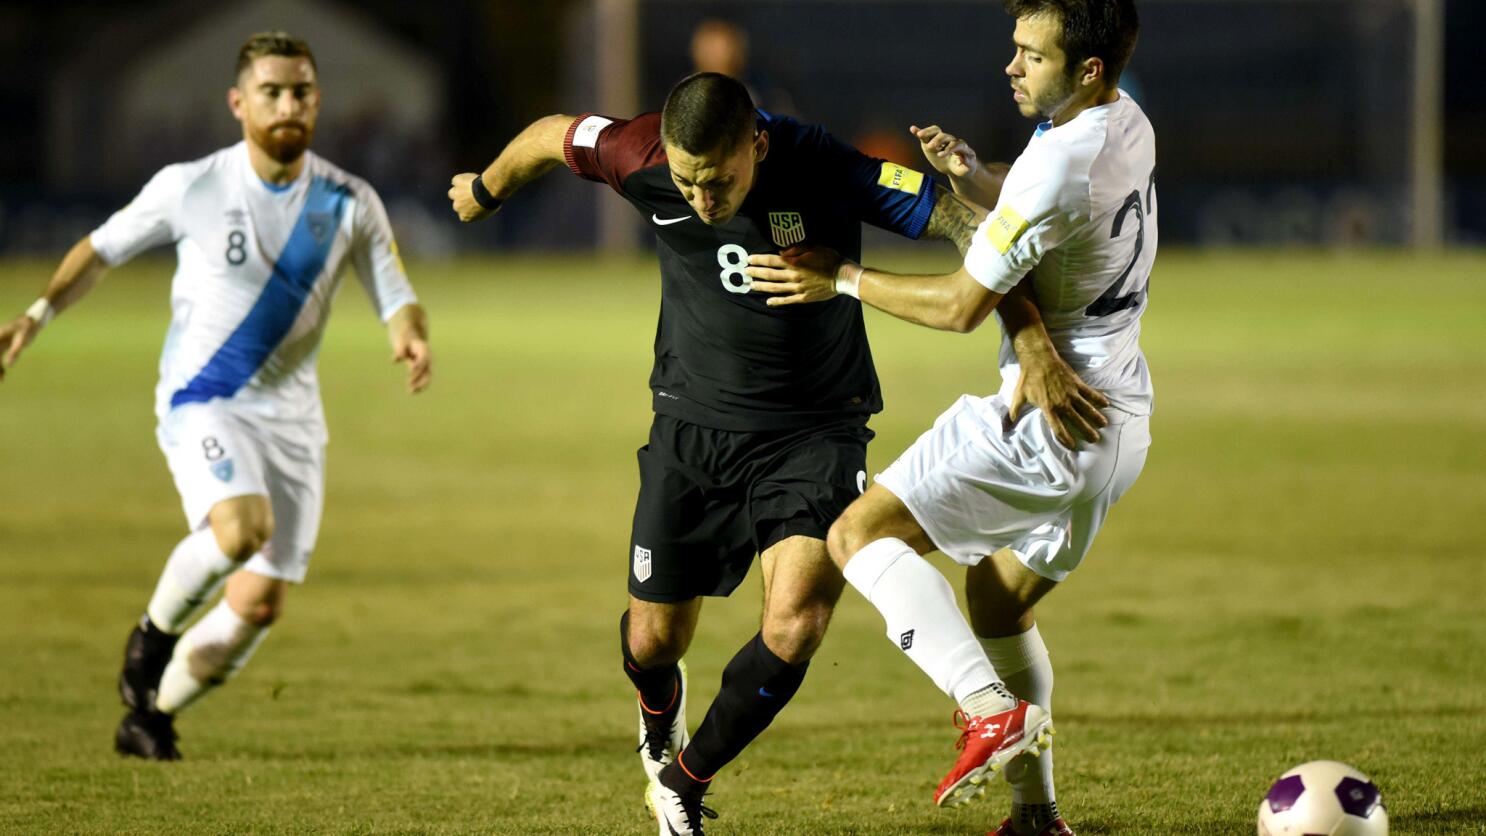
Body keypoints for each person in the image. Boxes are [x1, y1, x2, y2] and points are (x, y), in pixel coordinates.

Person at [446, 72, 1077, 835]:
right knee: (652, 642)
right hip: (692, 426)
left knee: (796, 623)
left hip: (817, 429)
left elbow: (963, 221)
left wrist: (1030, 334)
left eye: (718, 181)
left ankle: (682, 783)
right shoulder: (639, 151)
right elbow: (553, 132)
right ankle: (658, 710)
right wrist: (485, 189)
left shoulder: (821, 163)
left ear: (759, 145)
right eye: (686, 182)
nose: (701, 200)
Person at [745, 2, 1151, 833]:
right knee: (997, 603)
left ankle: (987, 709)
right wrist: (971, 175)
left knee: (857, 537)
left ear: (1087, 71)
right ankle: (1036, 818)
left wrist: (845, 279)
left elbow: (967, 304)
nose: (1011, 66)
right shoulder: (1124, 120)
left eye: (1031, 56)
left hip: (1046, 417)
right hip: (1120, 416)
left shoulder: (1060, 162)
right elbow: (1038, 208)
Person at [0, 32, 432, 761]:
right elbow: (100, 250)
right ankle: (151, 641)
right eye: (271, 91)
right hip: (205, 399)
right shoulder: (192, 185)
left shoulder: (349, 201)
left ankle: (153, 716)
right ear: (238, 103)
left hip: (293, 422)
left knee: (258, 603)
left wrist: (411, 335)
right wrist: (36, 315)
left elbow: (397, 293)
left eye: (300, 91)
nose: (287, 104)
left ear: (318, 102)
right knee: (239, 530)